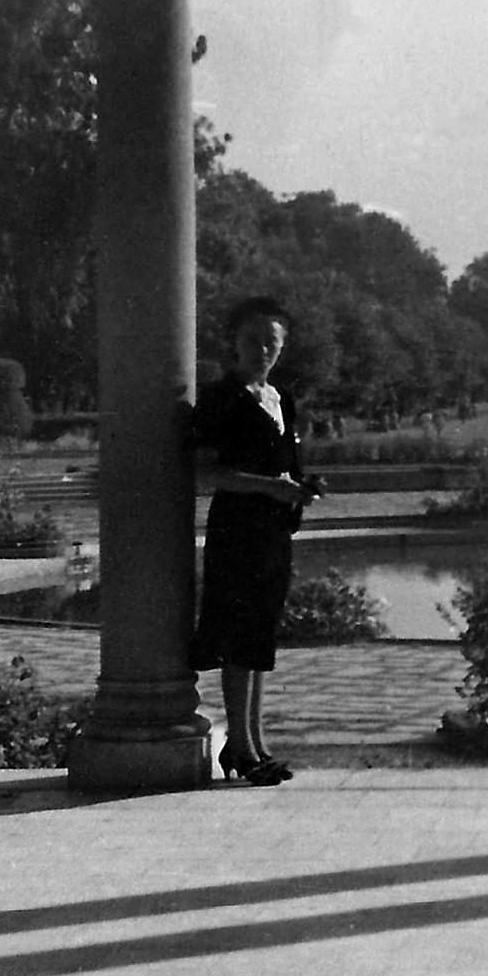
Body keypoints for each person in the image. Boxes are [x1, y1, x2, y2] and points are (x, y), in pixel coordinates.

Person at [190, 296, 321, 786]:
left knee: (261, 637)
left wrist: (301, 487)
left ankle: (256, 742)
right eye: (253, 341)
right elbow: (206, 471)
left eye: (272, 342)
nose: (262, 349)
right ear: (235, 344)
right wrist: (269, 486)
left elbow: (285, 462)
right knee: (240, 637)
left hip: (273, 530)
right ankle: (239, 748)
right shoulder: (223, 397)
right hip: (238, 528)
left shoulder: (280, 397)